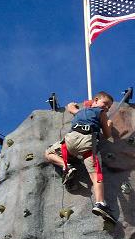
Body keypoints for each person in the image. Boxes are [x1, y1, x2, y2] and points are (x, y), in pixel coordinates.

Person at [45, 91, 116, 223]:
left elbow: (70, 107)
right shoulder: (101, 113)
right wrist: (109, 125)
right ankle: (100, 203)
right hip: (87, 143)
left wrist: (72, 106)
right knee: (96, 176)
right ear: (96, 100)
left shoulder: (80, 112)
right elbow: (106, 135)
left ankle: (66, 166)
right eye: (105, 104)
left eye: (109, 107)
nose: (106, 108)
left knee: (49, 153)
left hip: (70, 141)